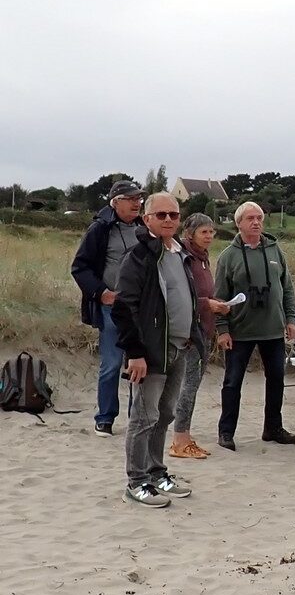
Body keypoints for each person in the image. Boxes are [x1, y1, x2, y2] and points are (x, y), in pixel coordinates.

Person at [112, 193, 204, 508]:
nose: (168, 220)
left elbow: (185, 299)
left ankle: (156, 473)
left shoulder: (180, 253)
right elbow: (124, 308)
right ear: (147, 218)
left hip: (179, 347)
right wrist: (135, 353)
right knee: (144, 417)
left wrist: (193, 334)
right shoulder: (138, 257)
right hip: (151, 352)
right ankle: (135, 482)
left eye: (174, 215)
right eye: (161, 214)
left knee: (164, 415)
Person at [214, 201, 295, 451]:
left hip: (272, 329)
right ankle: (226, 432)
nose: (256, 222)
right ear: (238, 222)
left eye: (259, 218)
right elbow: (220, 297)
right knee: (232, 382)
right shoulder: (228, 257)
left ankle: (273, 428)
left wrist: (291, 319)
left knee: (276, 379)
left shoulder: (275, 251)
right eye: (250, 218)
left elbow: (287, 288)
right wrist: (222, 329)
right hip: (240, 330)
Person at [71, 179, 146, 437]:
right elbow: (80, 267)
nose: (137, 203)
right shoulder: (100, 229)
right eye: (131, 198)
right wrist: (101, 293)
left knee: (139, 363)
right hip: (112, 308)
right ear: (116, 202)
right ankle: (105, 418)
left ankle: (136, 417)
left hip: (142, 308)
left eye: (139, 198)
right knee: (112, 364)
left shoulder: (145, 228)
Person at [169, 213, 231, 460]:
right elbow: (182, 297)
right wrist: (209, 304)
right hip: (188, 331)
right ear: (189, 233)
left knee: (192, 386)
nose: (209, 236)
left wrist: (217, 306)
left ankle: (184, 435)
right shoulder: (183, 258)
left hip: (204, 329)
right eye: (204, 232)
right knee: (189, 385)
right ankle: (179, 439)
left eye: (211, 232)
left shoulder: (203, 258)